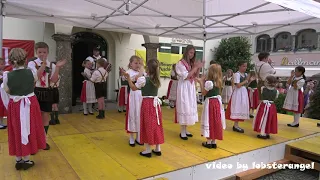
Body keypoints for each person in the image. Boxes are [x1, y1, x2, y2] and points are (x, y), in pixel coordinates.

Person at [4, 48, 46, 170]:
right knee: (30, 128)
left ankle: (18, 159)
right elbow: (35, 81)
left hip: (15, 105)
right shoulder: (31, 72)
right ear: (25, 59)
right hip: (30, 104)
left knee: (17, 129)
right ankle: (27, 160)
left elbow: (7, 91)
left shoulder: (7, 76)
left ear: (11, 61)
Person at [27, 42, 66, 150]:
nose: (42, 54)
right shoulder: (32, 64)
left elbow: (53, 80)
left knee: (45, 116)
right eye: (39, 52)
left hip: (47, 91)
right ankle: (33, 141)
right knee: (35, 116)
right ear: (36, 52)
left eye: (44, 52)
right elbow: (36, 77)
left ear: (48, 52)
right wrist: (43, 65)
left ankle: (43, 139)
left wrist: (57, 67)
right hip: (35, 91)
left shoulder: (52, 65)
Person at [122, 59, 164, 158]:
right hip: (156, 105)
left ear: (148, 69)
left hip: (147, 104)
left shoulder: (144, 79)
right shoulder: (157, 79)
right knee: (156, 125)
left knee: (147, 125)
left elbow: (133, 87)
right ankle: (158, 148)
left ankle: (148, 150)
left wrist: (128, 78)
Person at [175, 45, 204, 140]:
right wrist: (195, 67)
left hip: (190, 87)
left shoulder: (191, 63)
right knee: (184, 106)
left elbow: (195, 75)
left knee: (189, 107)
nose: (192, 55)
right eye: (191, 52)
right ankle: (182, 131)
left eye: (193, 53)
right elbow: (186, 76)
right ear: (186, 52)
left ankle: (185, 129)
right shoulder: (180, 63)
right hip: (184, 86)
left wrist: (199, 67)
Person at [197, 64, 225, 149]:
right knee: (216, 120)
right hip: (217, 103)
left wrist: (201, 82)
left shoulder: (209, 83)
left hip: (210, 103)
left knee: (209, 120)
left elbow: (203, 93)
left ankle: (209, 142)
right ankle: (214, 141)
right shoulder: (219, 81)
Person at [123, 55, 144, 146]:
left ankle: (139, 136)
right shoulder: (129, 72)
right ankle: (131, 137)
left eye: (139, 63)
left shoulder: (143, 72)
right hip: (133, 95)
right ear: (130, 64)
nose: (138, 65)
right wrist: (141, 72)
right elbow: (134, 79)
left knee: (140, 115)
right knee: (132, 114)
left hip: (141, 96)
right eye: (135, 63)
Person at [226, 61, 250, 133]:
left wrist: (249, 81)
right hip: (238, 93)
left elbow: (246, 84)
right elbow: (238, 85)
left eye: (246, 66)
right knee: (237, 107)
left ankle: (236, 125)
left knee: (241, 107)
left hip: (243, 92)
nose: (245, 68)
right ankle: (235, 125)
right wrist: (246, 81)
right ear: (239, 66)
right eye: (243, 66)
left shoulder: (245, 74)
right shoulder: (237, 74)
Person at [0, 58, 8, 129]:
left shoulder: (4, 73)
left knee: (1, 108)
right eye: (1, 64)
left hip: (1, 94)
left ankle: (1, 122)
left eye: (3, 64)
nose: (3, 65)